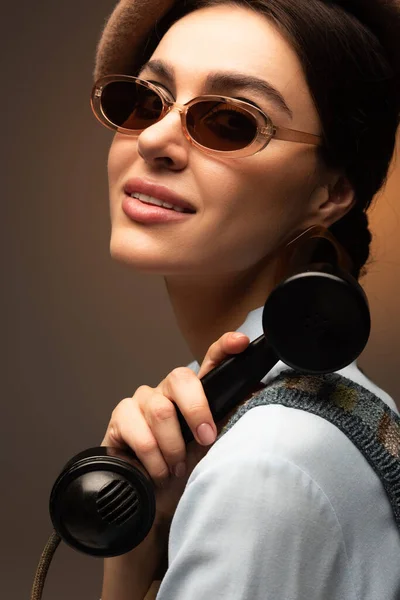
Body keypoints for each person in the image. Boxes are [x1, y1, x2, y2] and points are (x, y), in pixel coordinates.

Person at [92, 1, 400, 598]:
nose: (154, 138)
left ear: (331, 192)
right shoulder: (276, 416)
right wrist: (133, 545)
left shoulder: (263, 466)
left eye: (229, 121)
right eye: (146, 100)